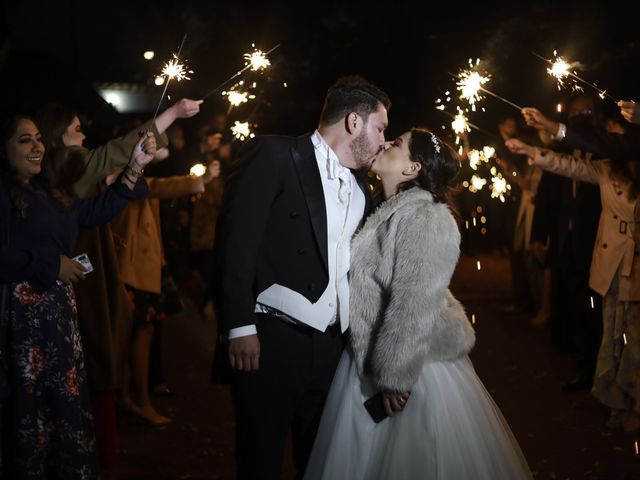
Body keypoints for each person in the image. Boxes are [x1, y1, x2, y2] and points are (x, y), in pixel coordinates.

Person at [304, 128, 532, 480]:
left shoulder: (426, 217)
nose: (385, 142)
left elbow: (414, 301)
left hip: (411, 366)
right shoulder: (386, 208)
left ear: (412, 169)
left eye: (396, 144)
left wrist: (397, 376)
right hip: (368, 356)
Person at [212, 75, 390, 479]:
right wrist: (239, 326)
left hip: (333, 348)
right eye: (380, 128)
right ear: (353, 122)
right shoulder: (275, 154)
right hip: (272, 340)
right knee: (261, 460)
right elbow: (236, 242)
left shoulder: (364, 185)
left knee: (320, 463)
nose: (383, 141)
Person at [0, 115, 154, 478]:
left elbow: (93, 211)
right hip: (19, 322)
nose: (37, 146)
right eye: (24, 140)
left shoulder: (47, 192)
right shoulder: (5, 193)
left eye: (39, 138)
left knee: (61, 411)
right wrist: (50, 266)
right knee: (28, 411)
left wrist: (134, 168)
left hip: (57, 321)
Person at [506, 125, 640, 432]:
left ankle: (635, 406)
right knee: (613, 335)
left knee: (635, 341)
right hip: (612, 266)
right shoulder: (606, 169)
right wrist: (531, 152)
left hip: (637, 266)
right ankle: (616, 402)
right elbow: (569, 166)